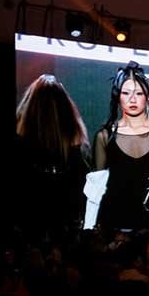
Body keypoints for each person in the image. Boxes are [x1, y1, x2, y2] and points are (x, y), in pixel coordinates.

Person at [85, 62, 149, 231]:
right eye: (126, 93)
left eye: (139, 93)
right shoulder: (105, 136)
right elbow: (95, 193)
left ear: (147, 97)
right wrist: (88, 230)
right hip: (112, 227)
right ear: (118, 96)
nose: (132, 99)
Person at [13, 74, 91, 238]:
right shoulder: (74, 144)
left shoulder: (21, 142)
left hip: (28, 227)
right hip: (62, 228)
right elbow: (80, 190)